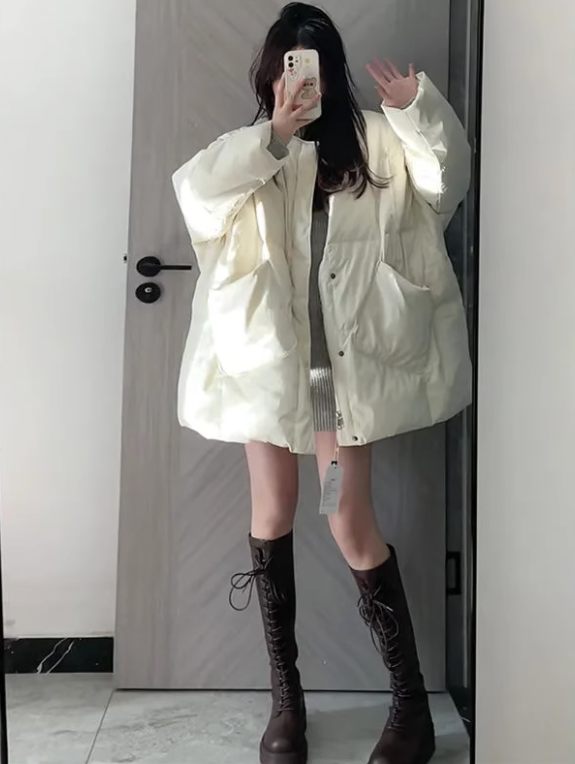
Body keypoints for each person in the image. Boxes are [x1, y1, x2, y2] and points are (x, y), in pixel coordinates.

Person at [172, 3, 471, 764]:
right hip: (267, 370)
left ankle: (410, 707)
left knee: (348, 522)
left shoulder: (376, 141)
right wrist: (274, 134)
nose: (301, 78)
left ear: (332, 71)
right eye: (287, 64)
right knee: (270, 514)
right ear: (271, 73)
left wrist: (416, 110)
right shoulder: (250, 151)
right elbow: (195, 197)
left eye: (311, 64)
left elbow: (446, 185)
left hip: (342, 376)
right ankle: (287, 702)